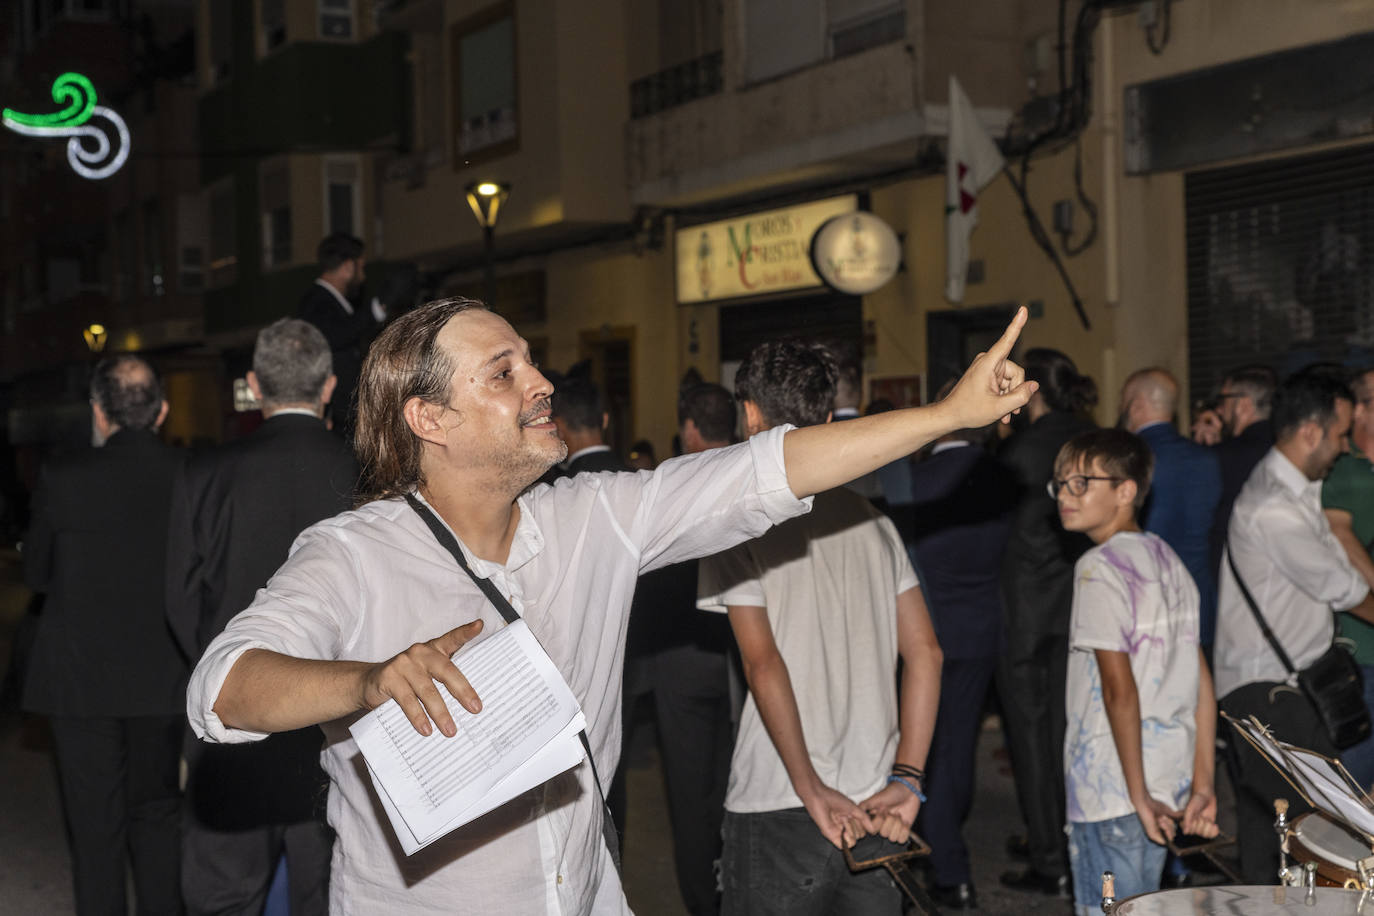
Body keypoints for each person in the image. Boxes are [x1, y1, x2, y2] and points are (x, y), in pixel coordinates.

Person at [184, 298, 1035, 915]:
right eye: (505, 371)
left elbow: (765, 471)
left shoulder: (594, 519)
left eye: (532, 360)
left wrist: (945, 416)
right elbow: (221, 690)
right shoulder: (352, 555)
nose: (542, 382)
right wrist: (368, 682)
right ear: (430, 418)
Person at [698, 340, 941, 916]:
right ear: (831, 420)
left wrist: (810, 787)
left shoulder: (736, 525)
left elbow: (762, 662)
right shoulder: (874, 524)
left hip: (780, 799)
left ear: (750, 414)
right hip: (877, 800)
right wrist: (908, 778)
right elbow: (926, 653)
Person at [166, 319, 359, 916]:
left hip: (236, 727)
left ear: (253, 384)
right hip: (337, 725)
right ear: (328, 387)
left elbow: (179, 600)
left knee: (224, 897)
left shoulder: (205, 473)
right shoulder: (365, 474)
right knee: (326, 896)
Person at [23, 355, 187, 916]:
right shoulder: (190, 475)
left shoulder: (62, 476)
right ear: (161, 411)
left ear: (98, 413)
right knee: (159, 819)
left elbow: (36, 574)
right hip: (163, 679)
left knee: (95, 830)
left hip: (79, 680)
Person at [1214, 369, 1374, 882]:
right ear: (1312, 431)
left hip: (1284, 690)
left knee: (1290, 832)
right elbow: (1347, 591)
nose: (1346, 445)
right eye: (1342, 432)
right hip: (1265, 694)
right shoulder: (1273, 508)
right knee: (1292, 834)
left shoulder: (1298, 491)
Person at [1051, 429, 1218, 912]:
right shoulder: (1170, 561)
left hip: (1113, 790)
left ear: (1126, 491)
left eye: (1081, 483)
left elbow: (1117, 690)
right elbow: (1201, 682)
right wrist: (1203, 783)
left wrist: (1136, 794)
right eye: (1060, 484)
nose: (1065, 494)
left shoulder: (1098, 568)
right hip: (1169, 780)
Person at [907, 404, 1018, 910]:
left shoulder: (918, 478)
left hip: (926, 634)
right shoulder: (1006, 476)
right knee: (959, 743)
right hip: (982, 629)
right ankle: (947, 853)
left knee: (925, 750)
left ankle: (947, 865)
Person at [997, 347, 1098, 896]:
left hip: (1028, 613)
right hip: (1083, 606)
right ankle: (1064, 836)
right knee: (1071, 731)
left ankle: (1049, 858)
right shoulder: (1093, 438)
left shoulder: (1021, 451)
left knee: (1032, 736)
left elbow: (990, 535)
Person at [636, 383, 738, 916]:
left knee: (689, 794)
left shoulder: (670, 483)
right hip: (741, 657)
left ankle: (706, 902)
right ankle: (733, 892)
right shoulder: (750, 476)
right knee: (734, 785)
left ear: (690, 429)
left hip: (681, 658)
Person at [1118, 368, 1222, 648]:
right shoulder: (1208, 460)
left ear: (1136, 405)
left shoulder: (1128, 461)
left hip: (1144, 604)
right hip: (1199, 601)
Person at [1321, 367, 1374, 790]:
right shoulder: (1344, 470)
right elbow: (1338, 535)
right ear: (1358, 409)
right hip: (1358, 650)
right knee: (1351, 785)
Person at [297, 232, 386, 439]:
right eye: (361, 267)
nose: (363, 276)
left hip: (345, 418)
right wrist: (375, 310)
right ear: (347, 267)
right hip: (337, 421)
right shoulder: (316, 302)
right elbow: (335, 336)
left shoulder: (333, 302)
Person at [1200, 365, 1278, 590]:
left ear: (1243, 404)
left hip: (1231, 582)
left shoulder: (1219, 458)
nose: (1220, 410)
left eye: (1223, 400)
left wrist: (1201, 452)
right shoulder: (1286, 450)